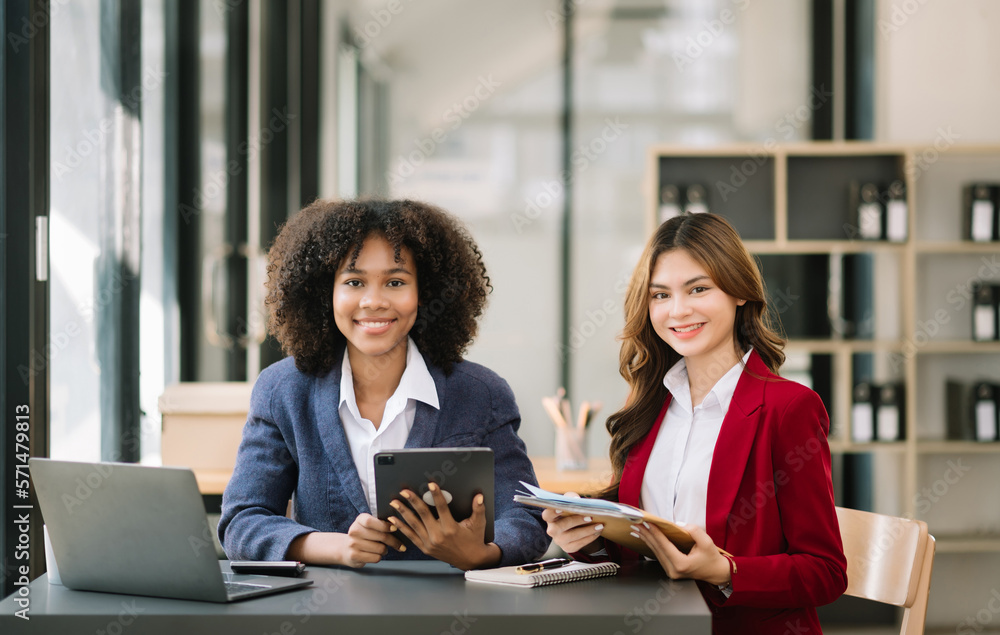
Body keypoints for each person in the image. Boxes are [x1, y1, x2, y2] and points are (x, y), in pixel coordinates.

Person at [543, 213, 847, 634]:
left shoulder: (789, 409)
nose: (678, 310)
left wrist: (726, 570)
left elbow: (825, 572)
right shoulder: (649, 402)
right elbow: (641, 547)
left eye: (698, 289)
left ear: (739, 292)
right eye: (660, 295)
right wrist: (589, 538)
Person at [219, 198, 548, 571]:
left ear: (425, 292)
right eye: (354, 282)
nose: (374, 301)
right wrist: (336, 547)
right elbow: (242, 522)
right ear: (323, 293)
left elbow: (527, 519)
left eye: (395, 282)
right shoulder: (284, 389)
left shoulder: (480, 393)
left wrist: (481, 554)